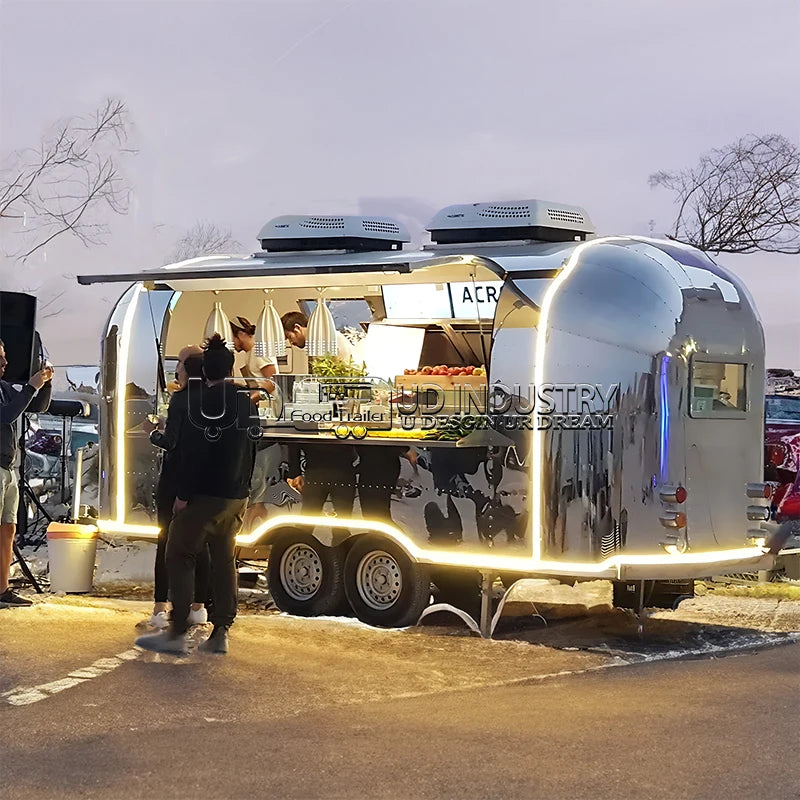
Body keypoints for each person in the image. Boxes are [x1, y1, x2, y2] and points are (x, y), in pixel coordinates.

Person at [136, 334, 256, 655]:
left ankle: (177, 631)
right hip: (235, 497)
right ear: (230, 368)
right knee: (223, 560)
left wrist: (183, 495)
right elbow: (251, 449)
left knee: (178, 552)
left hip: (203, 494)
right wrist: (243, 490)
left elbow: (192, 453)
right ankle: (220, 632)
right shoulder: (246, 401)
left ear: (204, 371)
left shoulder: (189, 403)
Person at [141, 345, 210, 629]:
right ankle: (199, 607)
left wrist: (154, 433)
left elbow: (173, 443)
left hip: (176, 480)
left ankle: (160, 607)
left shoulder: (181, 400)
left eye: (180, 362)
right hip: (204, 482)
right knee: (201, 544)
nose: (176, 368)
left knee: (166, 541)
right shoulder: (213, 399)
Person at [0, 339, 53, 607]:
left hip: (8, 468)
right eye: (0, 357)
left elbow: (35, 407)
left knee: (8, 528)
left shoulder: (5, 387)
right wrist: (31, 386)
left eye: (5, 355)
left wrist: (44, 385)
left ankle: (2, 588)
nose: (5, 362)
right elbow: (6, 415)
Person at [230, 316, 282, 534]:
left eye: (233, 337)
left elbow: (273, 382)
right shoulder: (251, 356)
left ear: (241, 334)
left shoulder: (259, 352)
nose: (232, 343)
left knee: (258, 472)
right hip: (260, 418)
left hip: (270, 419)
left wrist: (247, 400)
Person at [281, 311, 353, 374]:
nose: (291, 343)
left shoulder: (324, 341)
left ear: (297, 328)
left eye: (290, 337)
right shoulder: (314, 342)